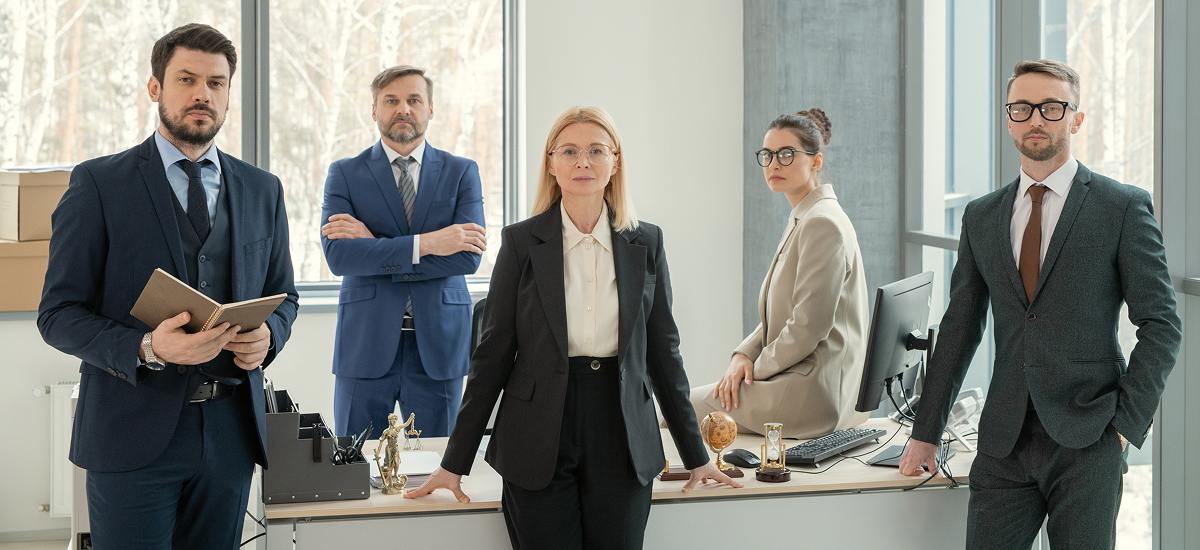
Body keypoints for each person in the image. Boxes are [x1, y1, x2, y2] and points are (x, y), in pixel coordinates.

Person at [405, 106, 742, 548]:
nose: (583, 162)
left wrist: (697, 457)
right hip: (538, 429)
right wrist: (454, 462)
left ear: (615, 161)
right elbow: (492, 355)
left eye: (596, 151)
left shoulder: (646, 241)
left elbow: (663, 354)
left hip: (621, 430)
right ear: (551, 163)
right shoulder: (521, 242)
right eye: (569, 151)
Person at [899, 60, 1181, 548]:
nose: (1036, 119)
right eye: (1022, 107)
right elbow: (962, 325)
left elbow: (1161, 325)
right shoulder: (982, 215)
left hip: (1088, 438)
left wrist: (1123, 426)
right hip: (1003, 441)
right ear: (1008, 120)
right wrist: (927, 430)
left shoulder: (1122, 207)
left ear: (1075, 118)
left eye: (1051, 107)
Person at [37, 24, 298, 549]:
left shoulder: (262, 189)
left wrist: (270, 334)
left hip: (229, 435)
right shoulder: (98, 184)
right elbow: (58, 314)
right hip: (130, 432)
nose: (203, 94)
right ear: (155, 87)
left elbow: (285, 295)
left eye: (217, 84)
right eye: (187, 79)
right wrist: (148, 346)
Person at [320, 65, 486, 438]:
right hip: (365, 341)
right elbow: (340, 258)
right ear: (374, 110)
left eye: (414, 100)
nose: (403, 109)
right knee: (354, 466)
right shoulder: (345, 173)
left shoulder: (462, 172)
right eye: (391, 101)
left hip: (439, 345)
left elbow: (467, 256)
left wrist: (374, 247)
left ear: (430, 109)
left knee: (436, 469)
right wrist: (428, 244)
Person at [688, 109, 869, 439]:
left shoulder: (821, 222)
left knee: (679, 409)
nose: (773, 164)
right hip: (804, 377)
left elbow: (807, 326)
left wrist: (752, 374)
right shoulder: (807, 214)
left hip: (812, 393)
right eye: (768, 155)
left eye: (786, 154)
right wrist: (744, 354)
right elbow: (783, 312)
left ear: (816, 161)